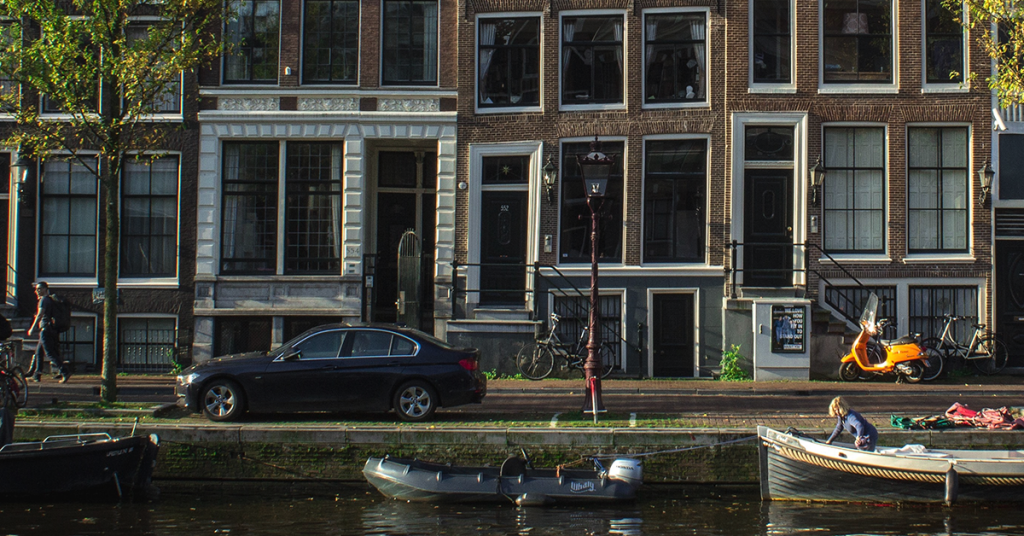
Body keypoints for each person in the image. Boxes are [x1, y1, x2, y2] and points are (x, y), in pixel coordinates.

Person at [26, 281, 69, 383]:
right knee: (38, 352)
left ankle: (65, 371)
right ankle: (37, 375)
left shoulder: (44, 300)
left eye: (39, 289)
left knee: (49, 353)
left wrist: (32, 328)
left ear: (45, 289)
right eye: (36, 289)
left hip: (45, 330)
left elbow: (40, 314)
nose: (37, 291)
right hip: (49, 329)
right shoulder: (49, 300)